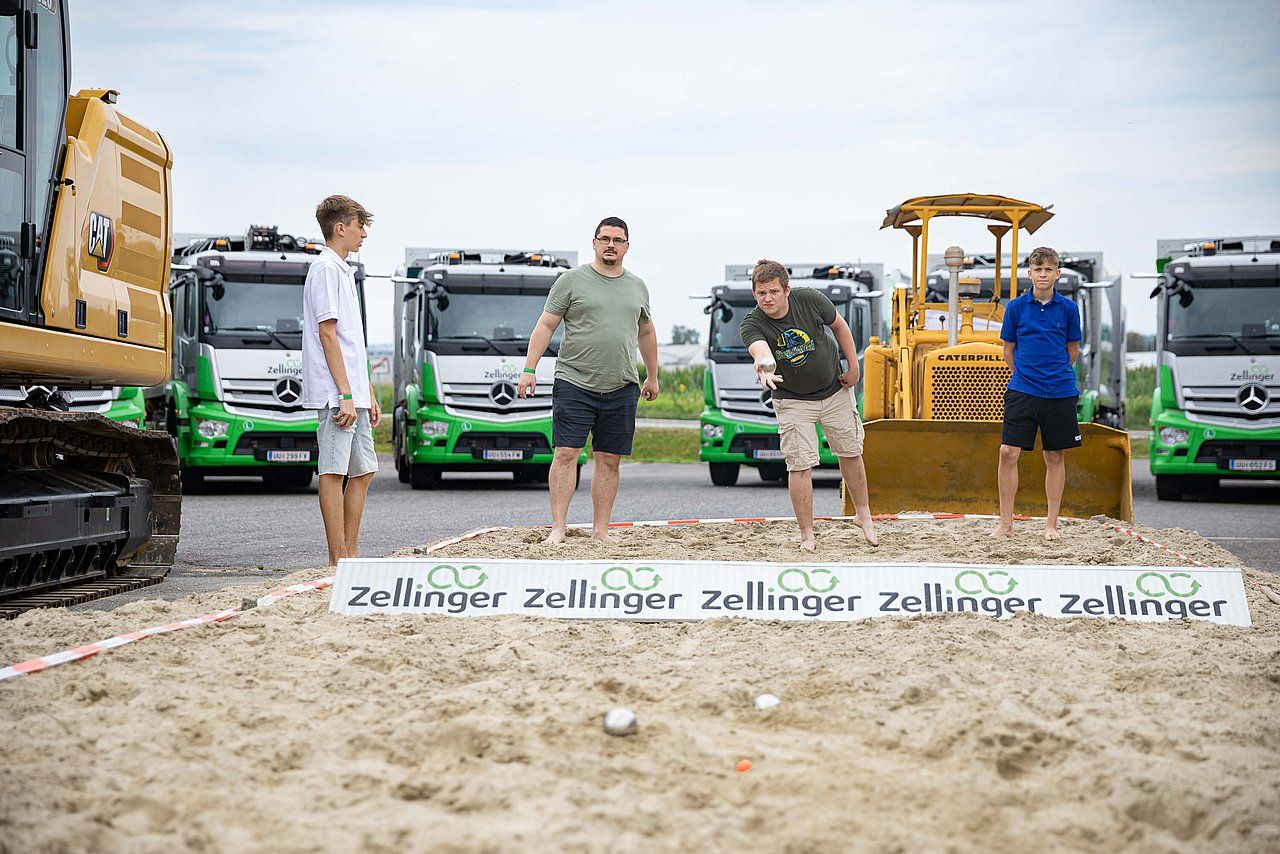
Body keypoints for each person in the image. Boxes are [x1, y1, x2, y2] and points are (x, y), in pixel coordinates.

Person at [517, 216, 659, 544]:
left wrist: (652, 375)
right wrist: (529, 369)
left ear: (627, 246)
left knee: (609, 459)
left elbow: (646, 331)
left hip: (622, 384)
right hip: (575, 381)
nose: (611, 245)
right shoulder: (571, 281)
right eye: (605, 238)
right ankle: (558, 528)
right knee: (566, 453)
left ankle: (601, 530)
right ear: (593, 243)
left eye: (617, 240)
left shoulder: (637, 286)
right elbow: (546, 325)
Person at [739, 259, 877, 550]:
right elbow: (759, 349)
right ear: (754, 294)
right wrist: (764, 367)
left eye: (773, 291)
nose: (768, 298)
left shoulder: (811, 299)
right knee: (799, 465)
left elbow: (839, 326)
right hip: (791, 399)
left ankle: (863, 514)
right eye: (761, 293)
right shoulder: (752, 323)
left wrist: (854, 367)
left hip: (833, 389)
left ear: (787, 290)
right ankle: (807, 534)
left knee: (850, 452)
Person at [301, 195, 380, 568]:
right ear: (340, 228)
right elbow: (327, 335)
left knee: (363, 470)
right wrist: (346, 394)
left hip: (354, 392)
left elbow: (351, 343)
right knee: (333, 471)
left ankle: (351, 552)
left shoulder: (343, 271)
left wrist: (367, 393)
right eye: (359, 226)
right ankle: (337, 560)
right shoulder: (326, 270)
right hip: (338, 395)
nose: (363, 233)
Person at [991, 246, 1082, 541]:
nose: (1043, 275)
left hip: (1059, 390)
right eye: (1037, 269)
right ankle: (1006, 524)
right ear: (1029, 274)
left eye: (1048, 270)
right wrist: (1026, 375)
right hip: (1023, 389)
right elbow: (1008, 349)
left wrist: (1053, 375)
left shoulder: (1069, 309)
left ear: (1057, 274)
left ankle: (1051, 524)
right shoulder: (1016, 308)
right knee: (1008, 452)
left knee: (1054, 455)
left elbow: (1072, 350)